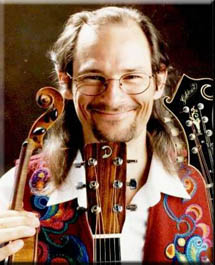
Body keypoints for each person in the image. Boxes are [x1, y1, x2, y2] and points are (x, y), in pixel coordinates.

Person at [0, 6, 213, 264]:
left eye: (132, 76)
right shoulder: (14, 194)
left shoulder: (202, 194)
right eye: (92, 77)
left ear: (158, 81)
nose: (113, 98)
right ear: (66, 83)